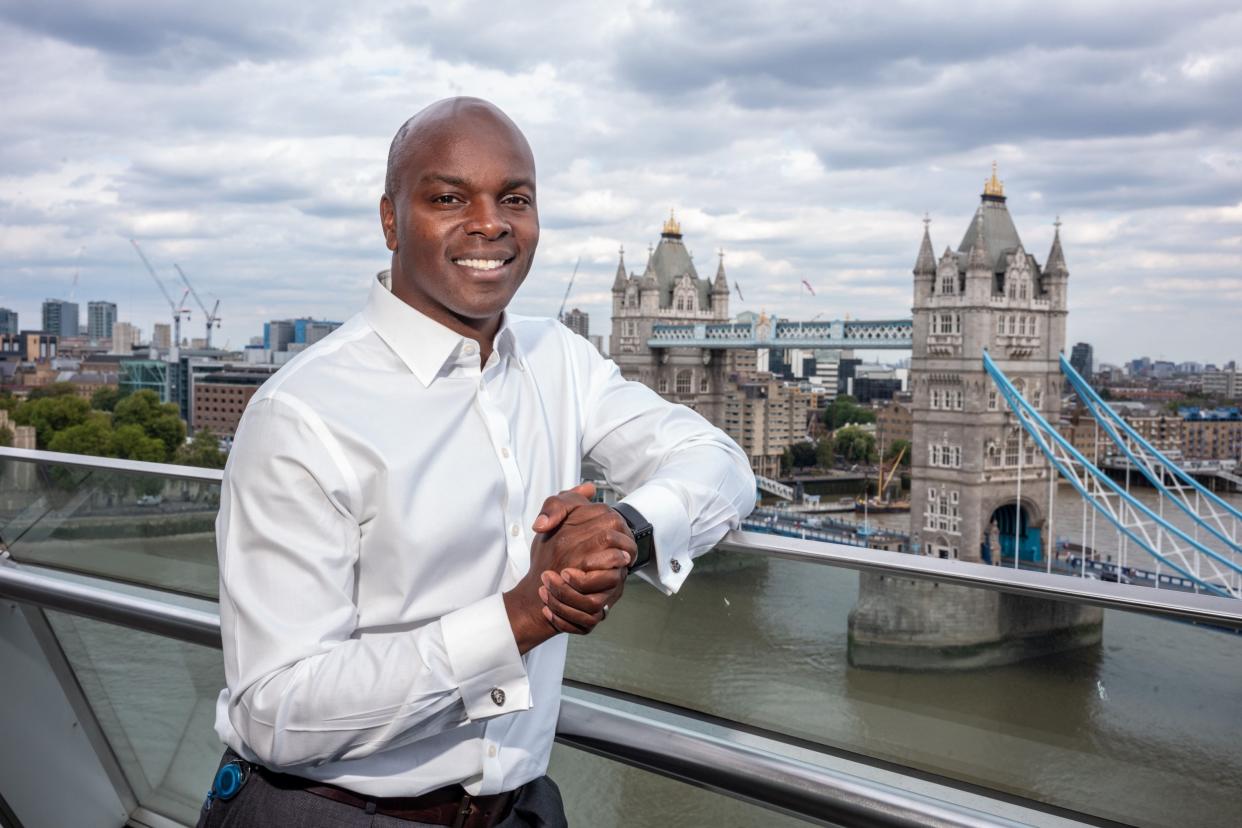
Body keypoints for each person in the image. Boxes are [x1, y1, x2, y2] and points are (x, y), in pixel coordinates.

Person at [200, 97, 755, 827]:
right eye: (449, 197)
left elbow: (718, 461)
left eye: (514, 198)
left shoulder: (559, 358)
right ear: (391, 220)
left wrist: (622, 535)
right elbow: (277, 711)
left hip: (518, 808)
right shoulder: (301, 414)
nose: (490, 222)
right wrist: (524, 615)